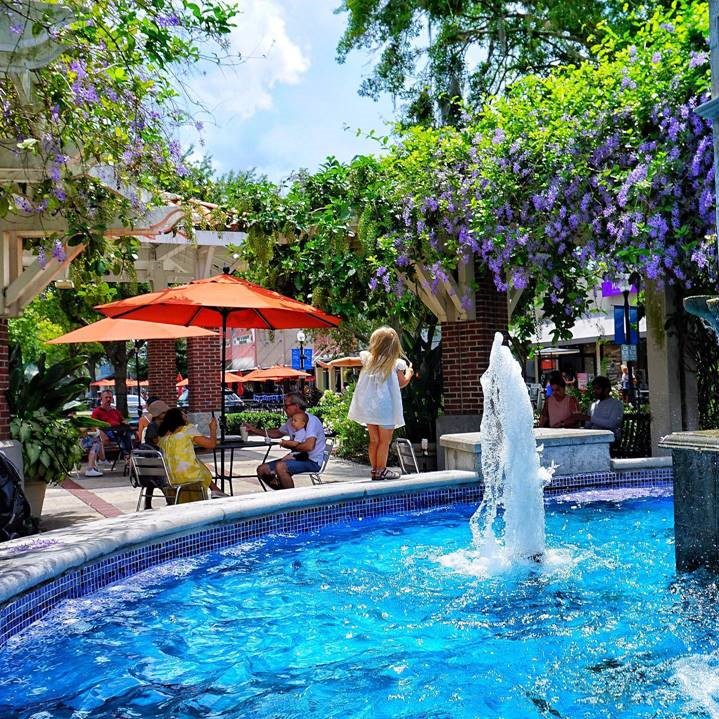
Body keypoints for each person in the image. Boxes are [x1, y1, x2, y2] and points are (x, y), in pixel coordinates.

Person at [341, 326, 414, 480]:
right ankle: (381, 469)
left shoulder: (369, 359)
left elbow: (348, 360)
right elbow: (402, 383)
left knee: (374, 440)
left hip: (370, 408)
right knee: (384, 442)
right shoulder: (396, 363)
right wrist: (409, 373)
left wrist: (330, 364)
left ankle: (375, 470)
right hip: (386, 409)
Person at [245, 392, 326, 490]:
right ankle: (283, 493)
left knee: (281, 467)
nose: (284, 408)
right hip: (297, 458)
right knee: (262, 470)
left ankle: (290, 500)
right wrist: (254, 430)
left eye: (286, 405)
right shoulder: (291, 421)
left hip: (312, 461)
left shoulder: (311, 421)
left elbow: (309, 446)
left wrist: (289, 445)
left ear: (296, 406)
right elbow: (277, 432)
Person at [157, 408, 225, 501]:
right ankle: (216, 490)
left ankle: (216, 490)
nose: (186, 416)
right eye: (184, 415)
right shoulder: (187, 430)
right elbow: (211, 444)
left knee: (197, 462)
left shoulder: (162, 436)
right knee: (197, 466)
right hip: (188, 477)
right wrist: (213, 429)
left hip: (170, 478)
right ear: (179, 418)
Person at [91, 390, 133, 457]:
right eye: (106, 397)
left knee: (128, 433)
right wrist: (101, 433)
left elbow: (123, 420)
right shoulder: (97, 411)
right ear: (101, 398)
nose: (108, 399)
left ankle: (131, 453)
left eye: (110, 397)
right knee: (119, 435)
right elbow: (93, 425)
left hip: (119, 430)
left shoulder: (115, 411)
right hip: (107, 431)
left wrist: (125, 422)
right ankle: (127, 454)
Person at [581, 376, 624, 440]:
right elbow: (587, 426)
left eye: (597, 388)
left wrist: (590, 418)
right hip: (594, 437)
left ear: (606, 389)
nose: (594, 391)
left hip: (610, 438)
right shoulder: (593, 404)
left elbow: (612, 424)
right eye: (594, 389)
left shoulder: (616, 404)